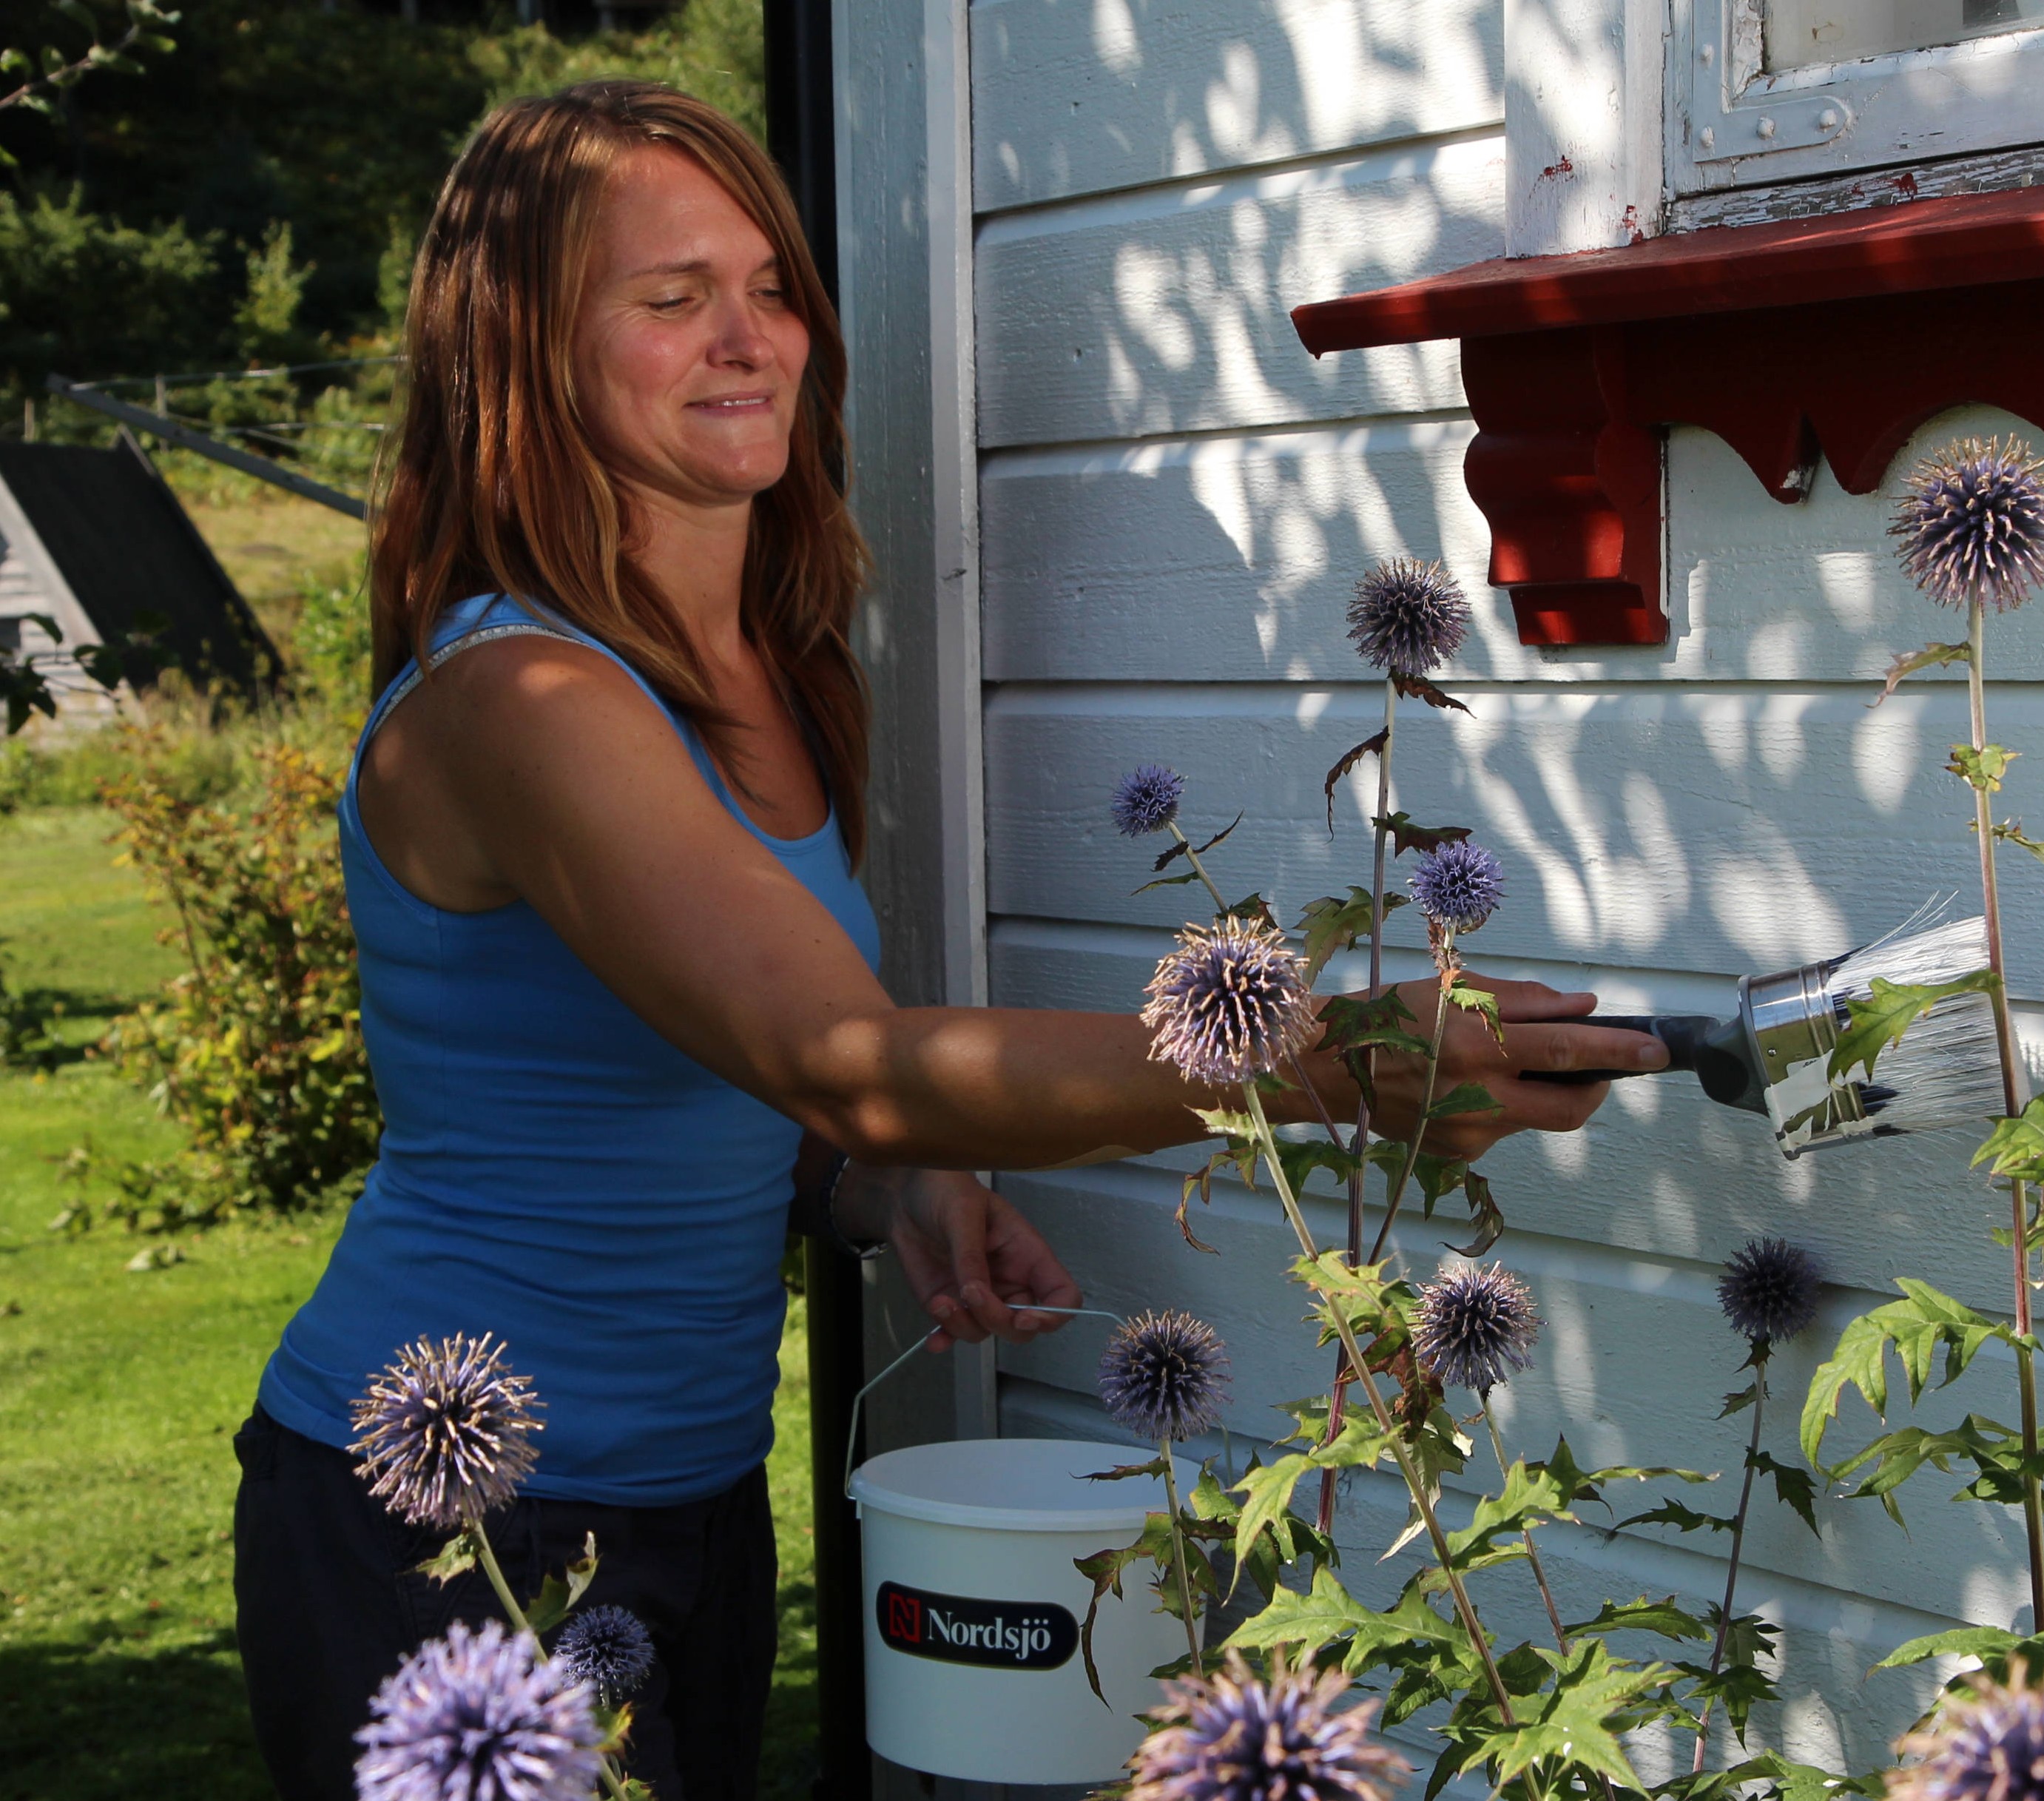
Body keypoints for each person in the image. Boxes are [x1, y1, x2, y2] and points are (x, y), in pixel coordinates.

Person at [229, 78, 1668, 1800]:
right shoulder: (525, 694)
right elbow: (851, 1060)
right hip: (447, 1516)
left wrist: (877, 1187)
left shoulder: (769, 671)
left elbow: (711, 1095)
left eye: (768, 286)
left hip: (685, 1495)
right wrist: (1323, 1059)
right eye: (668, 298)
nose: (747, 336)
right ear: (523, 352)